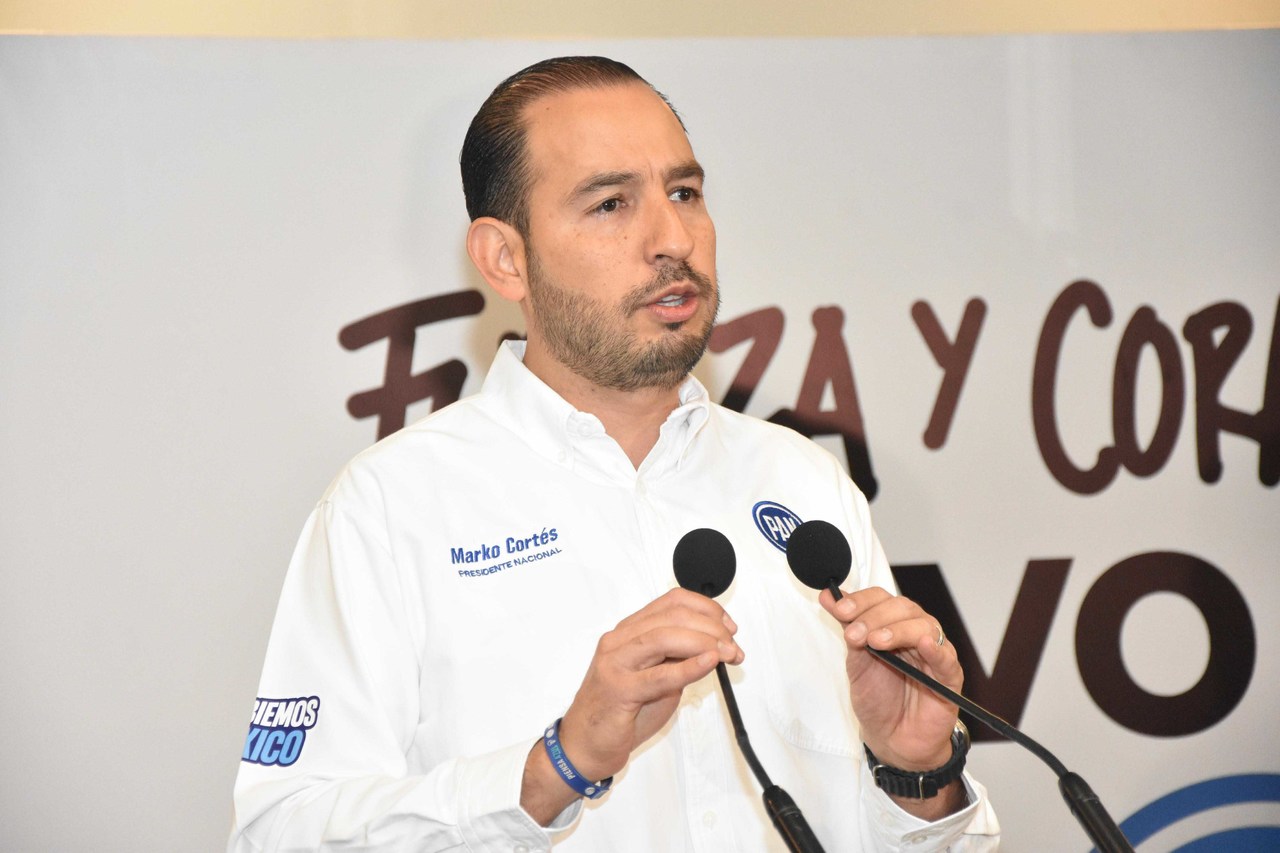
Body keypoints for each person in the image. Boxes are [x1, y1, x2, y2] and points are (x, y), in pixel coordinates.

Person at [229, 56, 1000, 851]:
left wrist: (918, 775)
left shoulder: (803, 482)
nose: (673, 239)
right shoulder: (392, 507)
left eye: (685, 193)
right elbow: (278, 832)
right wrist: (555, 767)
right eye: (610, 203)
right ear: (505, 259)